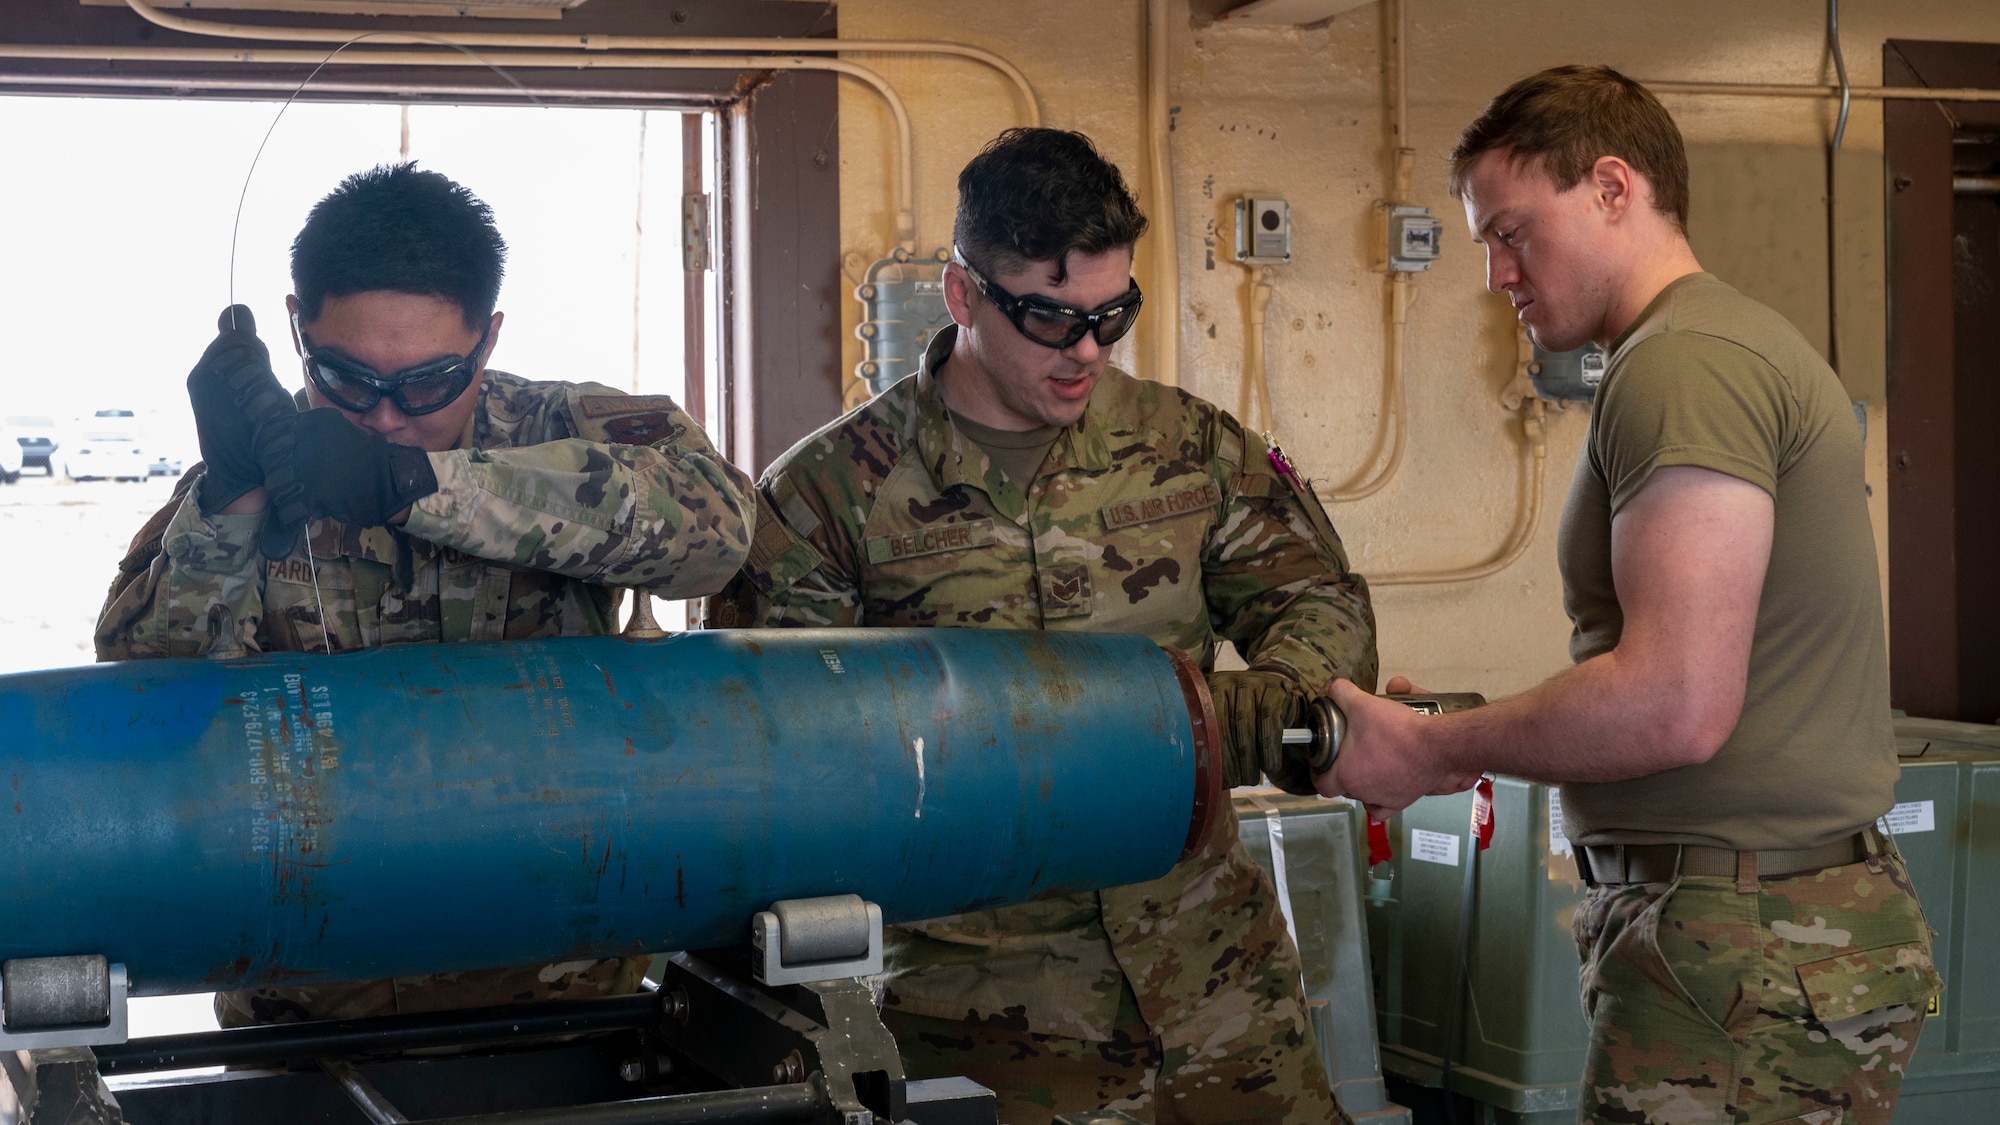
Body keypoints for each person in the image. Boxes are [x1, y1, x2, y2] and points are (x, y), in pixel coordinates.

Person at [706, 127, 1376, 1124]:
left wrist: (1275, 710)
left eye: (1114, 315)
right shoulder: (826, 496)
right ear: (962, 294)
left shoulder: (1189, 448)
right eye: (1050, 320)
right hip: (983, 1019)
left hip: (1217, 988)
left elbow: (1317, 600)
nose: (1088, 352)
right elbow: (773, 749)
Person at [1321, 66, 1938, 1124]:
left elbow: (1673, 700)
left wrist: (1432, 751)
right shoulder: (1712, 348)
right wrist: (1463, 727)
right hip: (1763, 930)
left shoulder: (1682, 365)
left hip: (1743, 942)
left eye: (1509, 231)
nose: (1492, 273)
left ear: (1612, 187)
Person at [96, 162, 753, 1025]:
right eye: (349, 380)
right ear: (297, 328)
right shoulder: (248, 480)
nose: (387, 417)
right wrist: (234, 495)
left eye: (430, 384)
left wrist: (415, 484)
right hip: (315, 1012)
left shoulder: (567, 430)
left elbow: (718, 538)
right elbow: (143, 708)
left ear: (488, 339)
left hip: (563, 996)